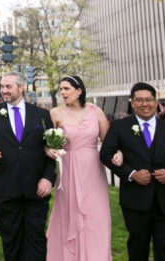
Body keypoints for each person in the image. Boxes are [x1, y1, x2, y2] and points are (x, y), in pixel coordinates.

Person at [99, 82, 165, 261]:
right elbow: (106, 154)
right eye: (139, 100)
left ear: (156, 101)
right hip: (135, 201)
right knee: (137, 250)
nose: (145, 104)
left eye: (149, 100)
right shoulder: (120, 127)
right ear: (132, 103)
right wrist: (131, 173)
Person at [0, 72, 56, 261]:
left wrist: (48, 178)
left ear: (21, 88)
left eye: (8, 87)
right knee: (10, 239)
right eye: (2, 87)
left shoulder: (42, 115)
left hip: (36, 188)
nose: (4, 91)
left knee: (36, 237)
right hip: (5, 187)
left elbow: (53, 149)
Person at [44, 75, 112, 261]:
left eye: (67, 89)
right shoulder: (55, 113)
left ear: (79, 90)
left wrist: (118, 154)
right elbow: (45, 142)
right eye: (61, 90)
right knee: (68, 211)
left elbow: (108, 143)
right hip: (68, 168)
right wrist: (49, 148)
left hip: (93, 169)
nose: (63, 93)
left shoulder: (96, 111)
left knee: (96, 215)